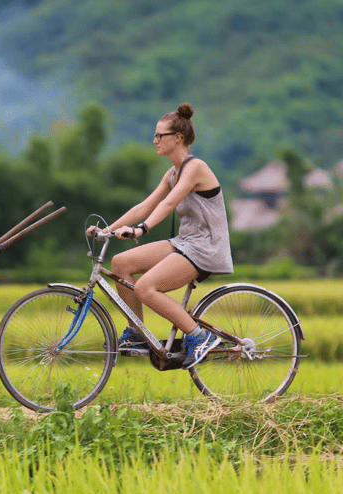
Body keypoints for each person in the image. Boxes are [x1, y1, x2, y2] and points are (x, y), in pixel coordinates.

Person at [86, 102, 233, 368]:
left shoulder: (195, 167)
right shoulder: (172, 173)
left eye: (159, 135)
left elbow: (167, 205)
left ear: (177, 138)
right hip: (185, 243)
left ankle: (199, 336)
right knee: (121, 264)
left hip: (205, 247)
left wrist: (142, 229)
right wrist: (106, 231)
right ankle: (138, 334)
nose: (154, 140)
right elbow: (145, 206)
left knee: (145, 287)